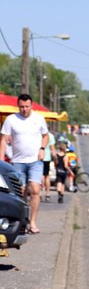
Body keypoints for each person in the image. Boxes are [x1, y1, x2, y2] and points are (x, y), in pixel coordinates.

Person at [0, 94, 49, 234]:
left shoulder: (39, 118)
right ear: (18, 106)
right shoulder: (11, 119)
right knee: (20, 192)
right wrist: (1, 160)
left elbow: (45, 136)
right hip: (17, 161)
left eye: (27, 106)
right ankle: (22, 221)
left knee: (35, 190)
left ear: (31, 105)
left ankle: (32, 222)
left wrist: (42, 148)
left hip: (35, 161)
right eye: (21, 107)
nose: (24, 109)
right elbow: (3, 140)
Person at [41, 131, 56, 202]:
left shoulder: (38, 134)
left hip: (39, 157)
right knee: (47, 176)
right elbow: (53, 149)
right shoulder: (50, 136)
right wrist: (55, 159)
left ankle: (40, 193)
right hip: (47, 158)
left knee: (40, 176)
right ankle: (47, 194)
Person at [54, 138, 70, 203]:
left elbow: (55, 164)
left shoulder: (56, 156)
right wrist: (70, 171)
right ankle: (62, 197)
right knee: (63, 184)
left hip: (58, 171)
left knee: (58, 183)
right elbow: (66, 165)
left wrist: (56, 168)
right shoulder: (65, 156)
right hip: (64, 171)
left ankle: (59, 194)